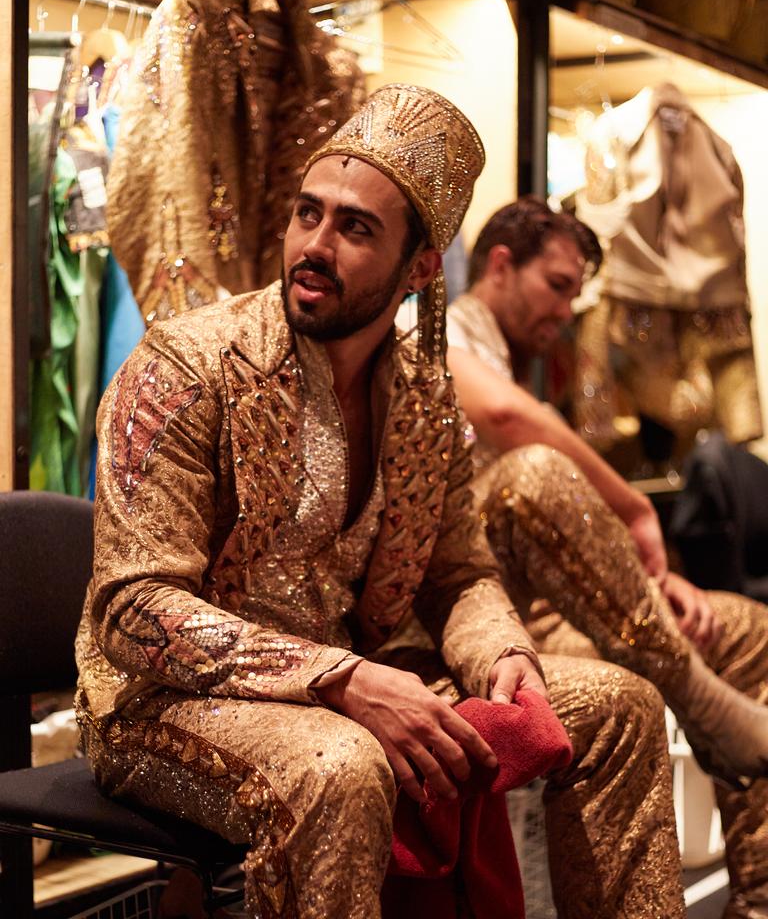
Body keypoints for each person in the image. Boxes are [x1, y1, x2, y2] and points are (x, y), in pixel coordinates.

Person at [75, 85, 574, 919]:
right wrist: (339, 680)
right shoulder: (186, 365)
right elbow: (131, 609)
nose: (315, 243)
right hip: (157, 703)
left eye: (355, 228)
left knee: (613, 710)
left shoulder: (425, 398)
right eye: (308, 213)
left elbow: (459, 573)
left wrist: (504, 656)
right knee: (341, 767)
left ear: (421, 268)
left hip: (348, 682)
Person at [446, 195, 768, 919]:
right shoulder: (434, 328)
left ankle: (760, 900)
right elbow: (507, 424)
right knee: (535, 469)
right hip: (463, 614)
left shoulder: (513, 354)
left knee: (746, 629)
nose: (567, 311)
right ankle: (699, 699)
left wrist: (653, 584)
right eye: (557, 285)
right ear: (500, 264)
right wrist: (632, 507)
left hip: (538, 610)